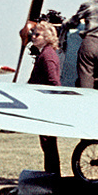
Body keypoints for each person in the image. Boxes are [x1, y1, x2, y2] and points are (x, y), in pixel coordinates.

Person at [27, 21, 62, 178]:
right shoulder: (45, 54)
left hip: (47, 104)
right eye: (33, 34)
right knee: (47, 143)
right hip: (46, 103)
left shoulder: (47, 56)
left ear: (47, 37)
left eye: (37, 34)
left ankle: (52, 174)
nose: (33, 37)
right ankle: (52, 173)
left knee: (48, 143)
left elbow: (54, 81)